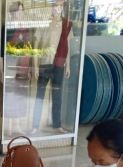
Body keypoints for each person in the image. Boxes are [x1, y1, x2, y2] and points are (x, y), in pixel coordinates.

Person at [29, 0, 73, 135]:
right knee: (40, 95)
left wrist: (68, 66)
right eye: (54, 5)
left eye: (59, 6)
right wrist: (35, 66)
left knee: (57, 96)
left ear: (62, 7)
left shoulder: (66, 24)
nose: (57, 8)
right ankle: (35, 125)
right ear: (51, 7)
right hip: (44, 63)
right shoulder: (44, 22)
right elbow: (36, 45)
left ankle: (57, 125)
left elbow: (67, 47)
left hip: (59, 64)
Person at [1, 1, 31, 137]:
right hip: (10, 66)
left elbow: (28, 49)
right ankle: (8, 126)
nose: (20, 13)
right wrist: (1, 72)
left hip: (23, 66)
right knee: (10, 95)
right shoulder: (7, 27)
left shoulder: (26, 28)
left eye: (21, 10)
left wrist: (29, 69)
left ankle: (17, 125)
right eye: (18, 10)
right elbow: (1, 52)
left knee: (20, 95)